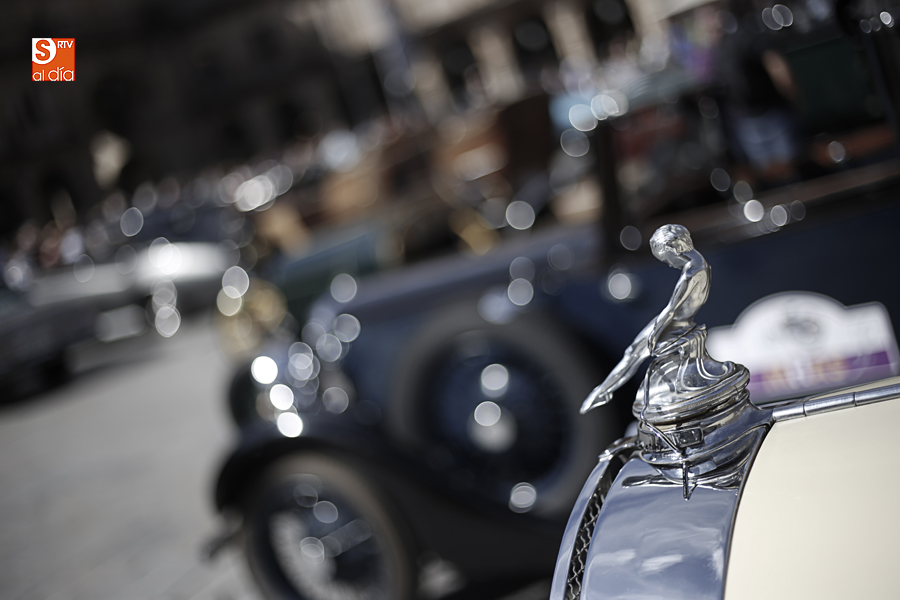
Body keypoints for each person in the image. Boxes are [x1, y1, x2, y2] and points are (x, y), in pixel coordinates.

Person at [581, 224, 730, 414]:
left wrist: (656, 332)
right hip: (680, 322)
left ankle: (602, 391)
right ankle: (603, 390)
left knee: (632, 353)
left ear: (675, 248)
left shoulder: (690, 273)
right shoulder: (702, 265)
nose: (668, 263)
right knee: (632, 354)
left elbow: (671, 309)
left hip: (674, 325)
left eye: (666, 258)